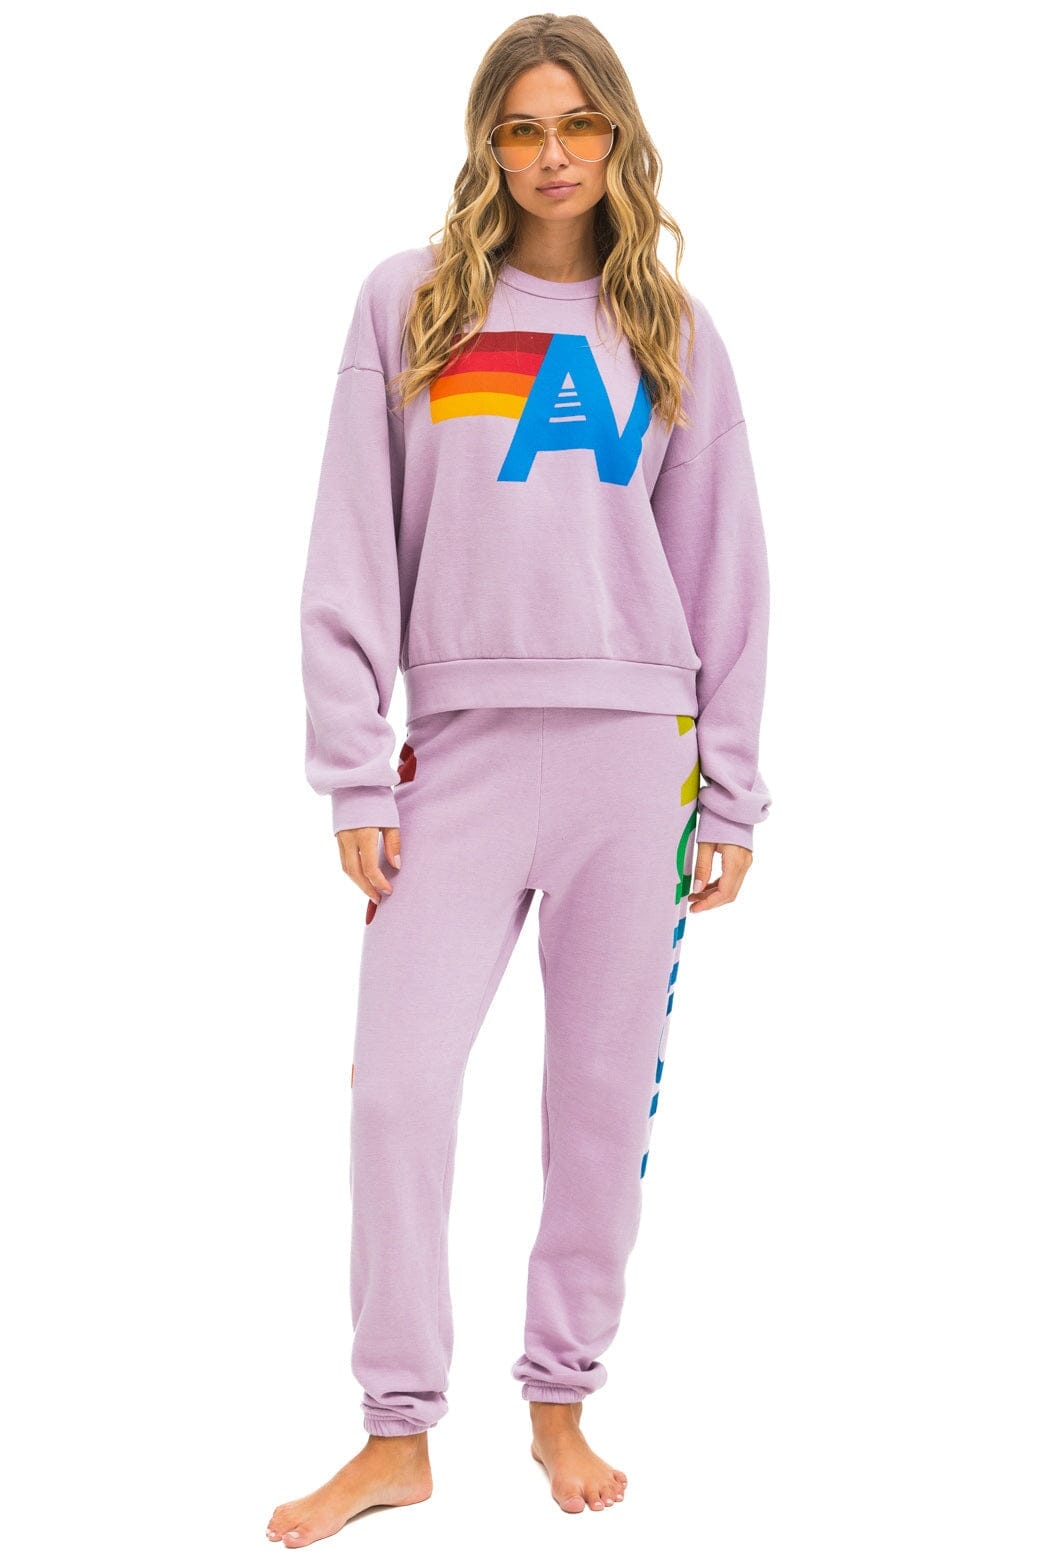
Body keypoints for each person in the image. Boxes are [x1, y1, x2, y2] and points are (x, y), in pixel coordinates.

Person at [267, 12, 772, 1547]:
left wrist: (730, 791)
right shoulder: (410, 302)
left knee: (597, 1107)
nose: (554, 155)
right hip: (462, 758)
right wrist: (356, 773)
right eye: (523, 128)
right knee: (398, 1094)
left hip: (636, 765)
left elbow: (727, 571)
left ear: (619, 138)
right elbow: (351, 543)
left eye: (579, 125)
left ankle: (560, 1401)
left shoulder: (672, 331)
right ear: (489, 144)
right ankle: (395, 1432)